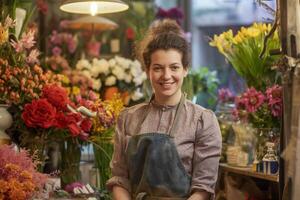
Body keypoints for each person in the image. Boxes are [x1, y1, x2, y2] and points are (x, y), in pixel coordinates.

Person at [106, 19, 222, 200]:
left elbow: (203, 189)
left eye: (174, 67)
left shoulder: (203, 120)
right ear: (148, 70)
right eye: (158, 68)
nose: (166, 76)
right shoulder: (128, 118)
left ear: (185, 70)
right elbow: (119, 179)